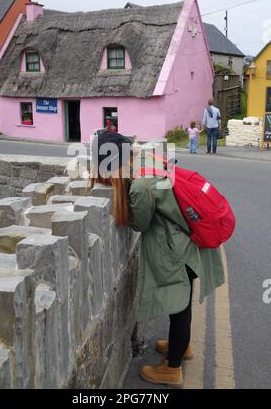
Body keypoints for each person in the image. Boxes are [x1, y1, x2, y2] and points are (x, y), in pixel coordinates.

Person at [91, 131, 225, 388]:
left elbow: (140, 223)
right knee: (182, 304)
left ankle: (172, 368)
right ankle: (181, 346)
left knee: (179, 306)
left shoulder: (141, 186)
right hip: (191, 243)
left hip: (180, 251)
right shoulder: (147, 161)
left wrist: (124, 212)